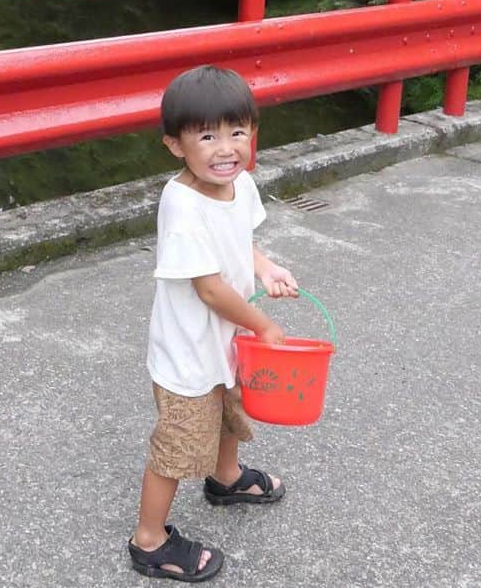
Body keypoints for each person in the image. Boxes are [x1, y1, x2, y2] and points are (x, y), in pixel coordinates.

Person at [127, 64, 299, 582]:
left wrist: (265, 268)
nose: (226, 148)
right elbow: (209, 288)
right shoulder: (182, 205)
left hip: (224, 339)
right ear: (176, 146)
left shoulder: (238, 184)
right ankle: (149, 540)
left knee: (229, 411)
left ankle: (225, 479)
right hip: (188, 354)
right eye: (207, 136)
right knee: (177, 445)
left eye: (237, 132)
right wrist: (263, 325)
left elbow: (239, 242)